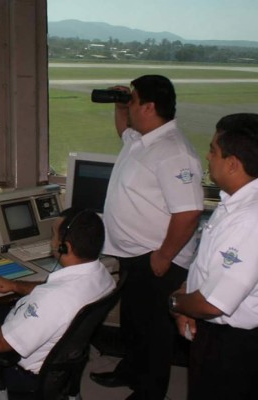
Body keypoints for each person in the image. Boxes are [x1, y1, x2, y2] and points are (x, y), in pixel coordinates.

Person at [90, 75, 204, 400]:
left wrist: (164, 256)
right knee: (134, 324)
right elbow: (122, 131)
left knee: (155, 333)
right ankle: (129, 371)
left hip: (157, 258)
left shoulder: (173, 152)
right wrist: (120, 104)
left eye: (135, 100)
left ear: (150, 107)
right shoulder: (143, 139)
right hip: (134, 255)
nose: (131, 106)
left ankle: (149, 392)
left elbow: (189, 212)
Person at [0, 208, 115, 389]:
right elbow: (55, 292)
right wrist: (14, 285)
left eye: (53, 235)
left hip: (21, 374)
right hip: (61, 366)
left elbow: (1, 343)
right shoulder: (103, 276)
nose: (51, 241)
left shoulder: (52, 299)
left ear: (64, 247)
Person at [169, 113, 258, 400]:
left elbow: (211, 304)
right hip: (218, 337)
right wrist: (186, 293)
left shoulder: (249, 220)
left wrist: (176, 303)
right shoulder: (235, 201)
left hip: (233, 347)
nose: (208, 157)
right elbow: (208, 268)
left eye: (213, 150)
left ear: (233, 164)